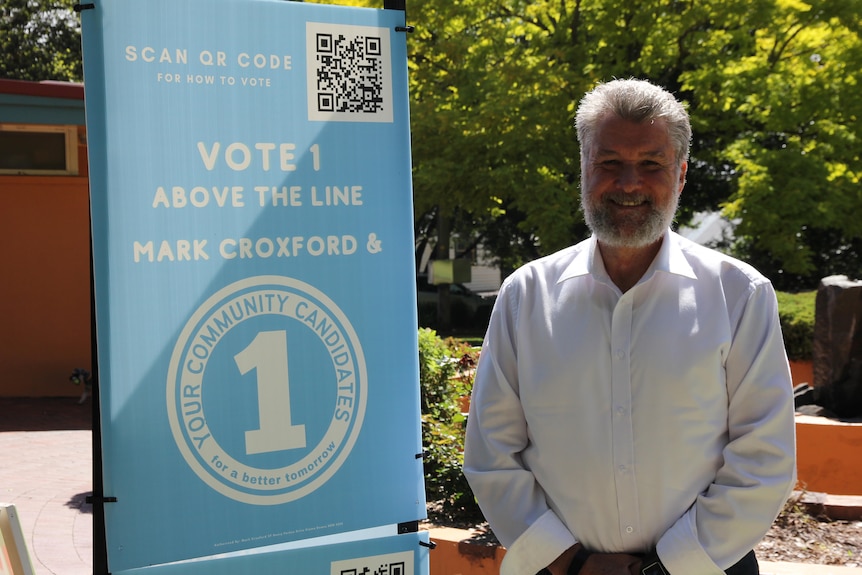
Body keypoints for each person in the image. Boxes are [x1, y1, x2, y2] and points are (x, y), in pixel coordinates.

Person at [462, 78, 797, 575]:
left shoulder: (739, 295)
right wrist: (572, 564)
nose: (629, 184)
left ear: (680, 175)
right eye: (610, 163)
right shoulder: (525, 296)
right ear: (583, 168)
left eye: (651, 165)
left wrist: (663, 571)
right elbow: (492, 453)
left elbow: (763, 457)